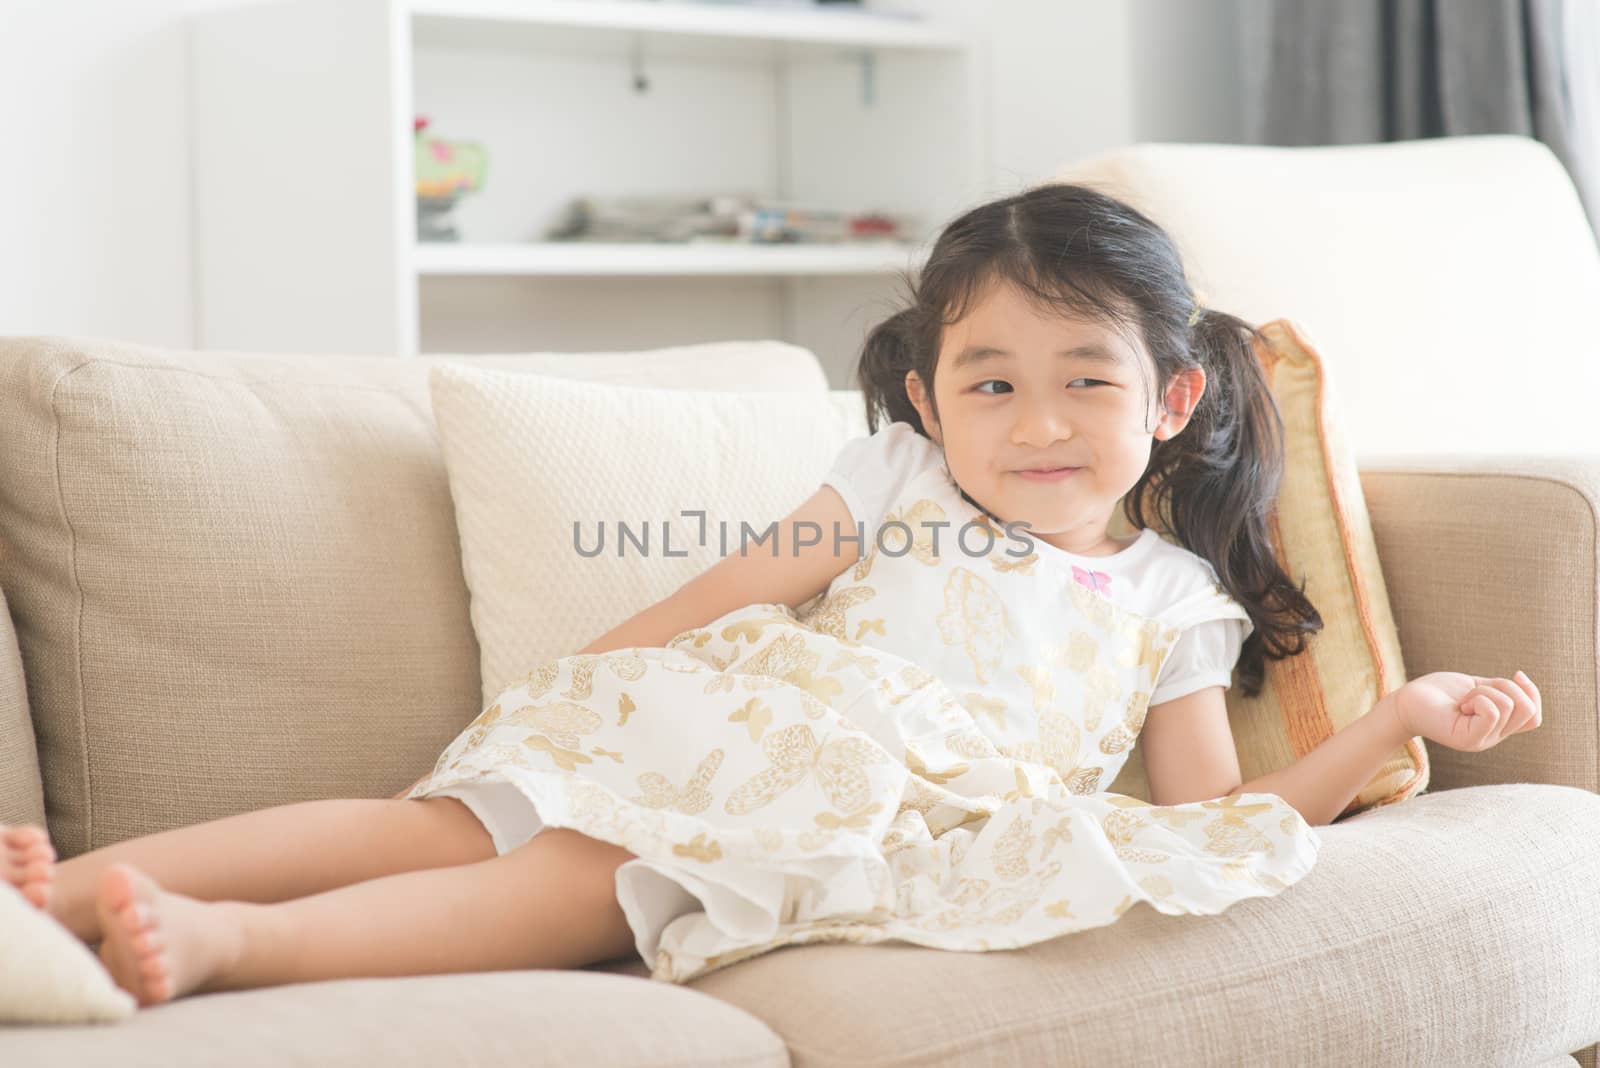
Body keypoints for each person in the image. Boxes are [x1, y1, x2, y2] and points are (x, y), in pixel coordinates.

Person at [1, 183, 1541, 1007]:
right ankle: (68, 884)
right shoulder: (896, 483)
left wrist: (1399, 717)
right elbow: (726, 592)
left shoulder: (1170, 595)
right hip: (722, 726)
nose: (1041, 422)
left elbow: (1204, 815)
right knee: (445, 821)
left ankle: (214, 946)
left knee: (566, 895)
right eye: (991, 383)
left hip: (849, 817)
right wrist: (544, 718)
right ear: (932, 406)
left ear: (1172, 397)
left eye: (1087, 379)